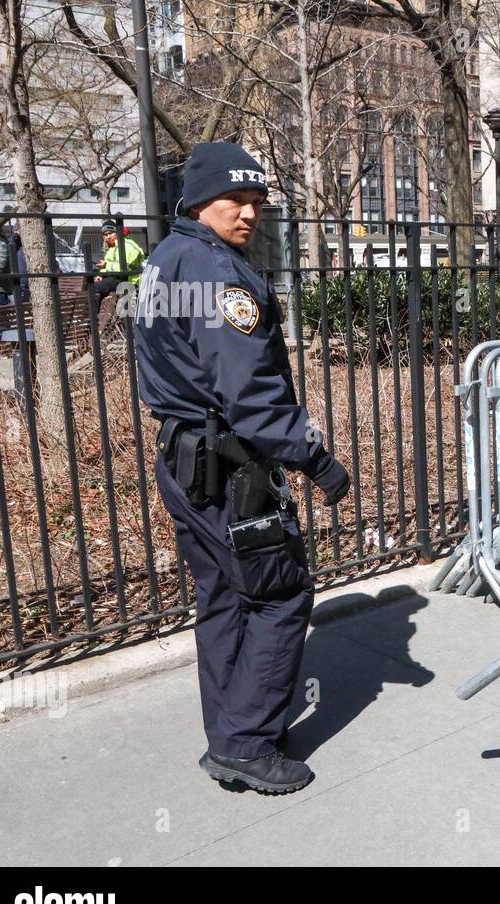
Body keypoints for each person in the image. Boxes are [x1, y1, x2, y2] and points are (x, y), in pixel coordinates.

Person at [134, 142, 351, 794]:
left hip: (183, 460)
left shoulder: (164, 261)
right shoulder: (217, 276)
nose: (251, 214)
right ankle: (244, 745)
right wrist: (316, 461)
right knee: (281, 595)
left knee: (225, 596)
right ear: (201, 199)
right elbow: (249, 395)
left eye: (258, 203)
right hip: (230, 468)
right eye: (238, 201)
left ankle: (232, 728)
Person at [93, 220, 146, 315]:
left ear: (118, 232)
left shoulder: (127, 245)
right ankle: (95, 317)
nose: (108, 237)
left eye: (111, 233)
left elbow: (123, 267)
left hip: (129, 281)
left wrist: (106, 266)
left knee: (94, 288)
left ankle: (93, 318)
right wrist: (101, 274)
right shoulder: (112, 248)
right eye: (105, 235)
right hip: (117, 278)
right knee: (90, 282)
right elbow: (111, 266)